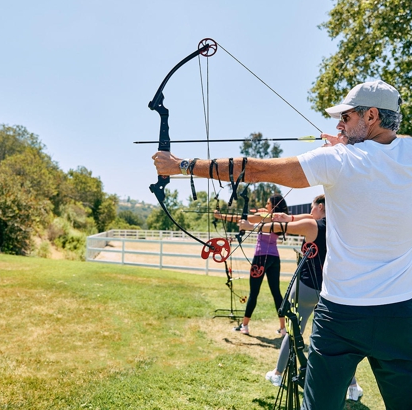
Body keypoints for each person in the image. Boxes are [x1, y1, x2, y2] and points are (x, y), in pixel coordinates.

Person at [152, 80, 412, 410]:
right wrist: (348, 146)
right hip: (402, 313)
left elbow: (256, 169)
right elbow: (384, 159)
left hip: (341, 317)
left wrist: (181, 166)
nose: (338, 125)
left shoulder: (338, 160)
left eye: (346, 118)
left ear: (371, 115)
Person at [239, 195, 362, 401]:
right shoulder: (342, 226)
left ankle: (278, 374)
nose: (311, 210)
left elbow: (277, 227)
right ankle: (352, 388)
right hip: (331, 289)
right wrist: (278, 216)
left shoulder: (312, 225)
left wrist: (249, 225)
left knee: (294, 331)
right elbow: (291, 219)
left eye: (313, 207)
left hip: (306, 288)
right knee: (338, 339)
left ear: (321, 207)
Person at [214, 194, 288, 336]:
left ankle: (245, 326)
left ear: (273, 206)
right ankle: (283, 328)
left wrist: (220, 216)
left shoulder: (264, 217)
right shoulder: (280, 219)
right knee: (276, 293)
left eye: (268, 204)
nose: (266, 206)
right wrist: (264, 213)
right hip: (274, 258)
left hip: (260, 258)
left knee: (254, 292)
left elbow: (241, 218)